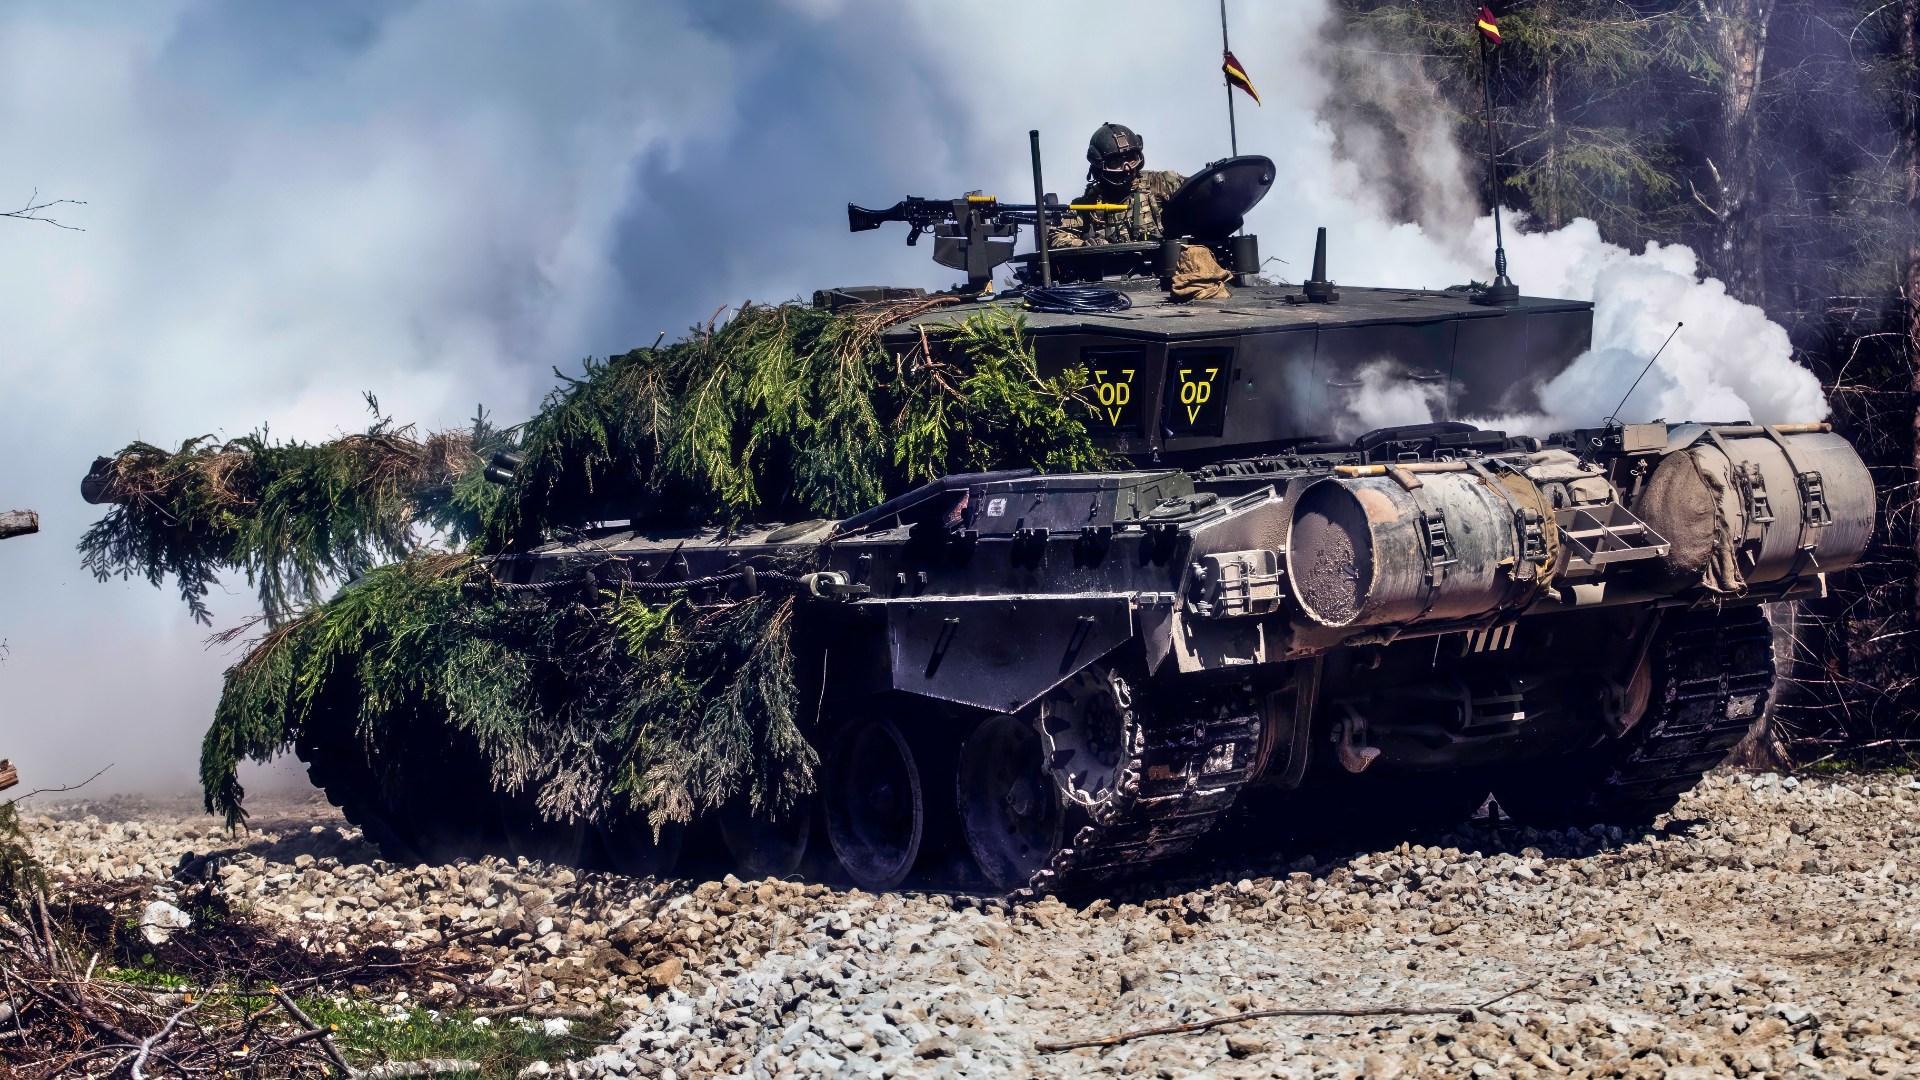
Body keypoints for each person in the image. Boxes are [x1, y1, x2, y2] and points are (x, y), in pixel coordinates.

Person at [1048, 122, 1186, 248]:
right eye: (1115, 162)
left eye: (1131, 159)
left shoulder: (1162, 183)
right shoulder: (1088, 205)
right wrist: (1083, 245)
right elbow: (1057, 235)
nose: (1127, 168)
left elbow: (1199, 194)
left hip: (1161, 267)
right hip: (1113, 271)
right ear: (1099, 167)